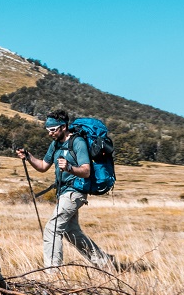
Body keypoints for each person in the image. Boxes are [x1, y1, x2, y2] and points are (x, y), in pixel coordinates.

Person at [16, 110, 116, 270]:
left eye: (53, 129)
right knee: (71, 232)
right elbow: (43, 166)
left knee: (52, 228)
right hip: (63, 192)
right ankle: (104, 261)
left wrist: (69, 168)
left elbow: (86, 171)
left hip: (75, 191)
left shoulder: (78, 143)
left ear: (63, 127)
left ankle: (52, 272)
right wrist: (29, 157)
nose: (50, 133)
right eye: (48, 130)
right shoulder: (55, 144)